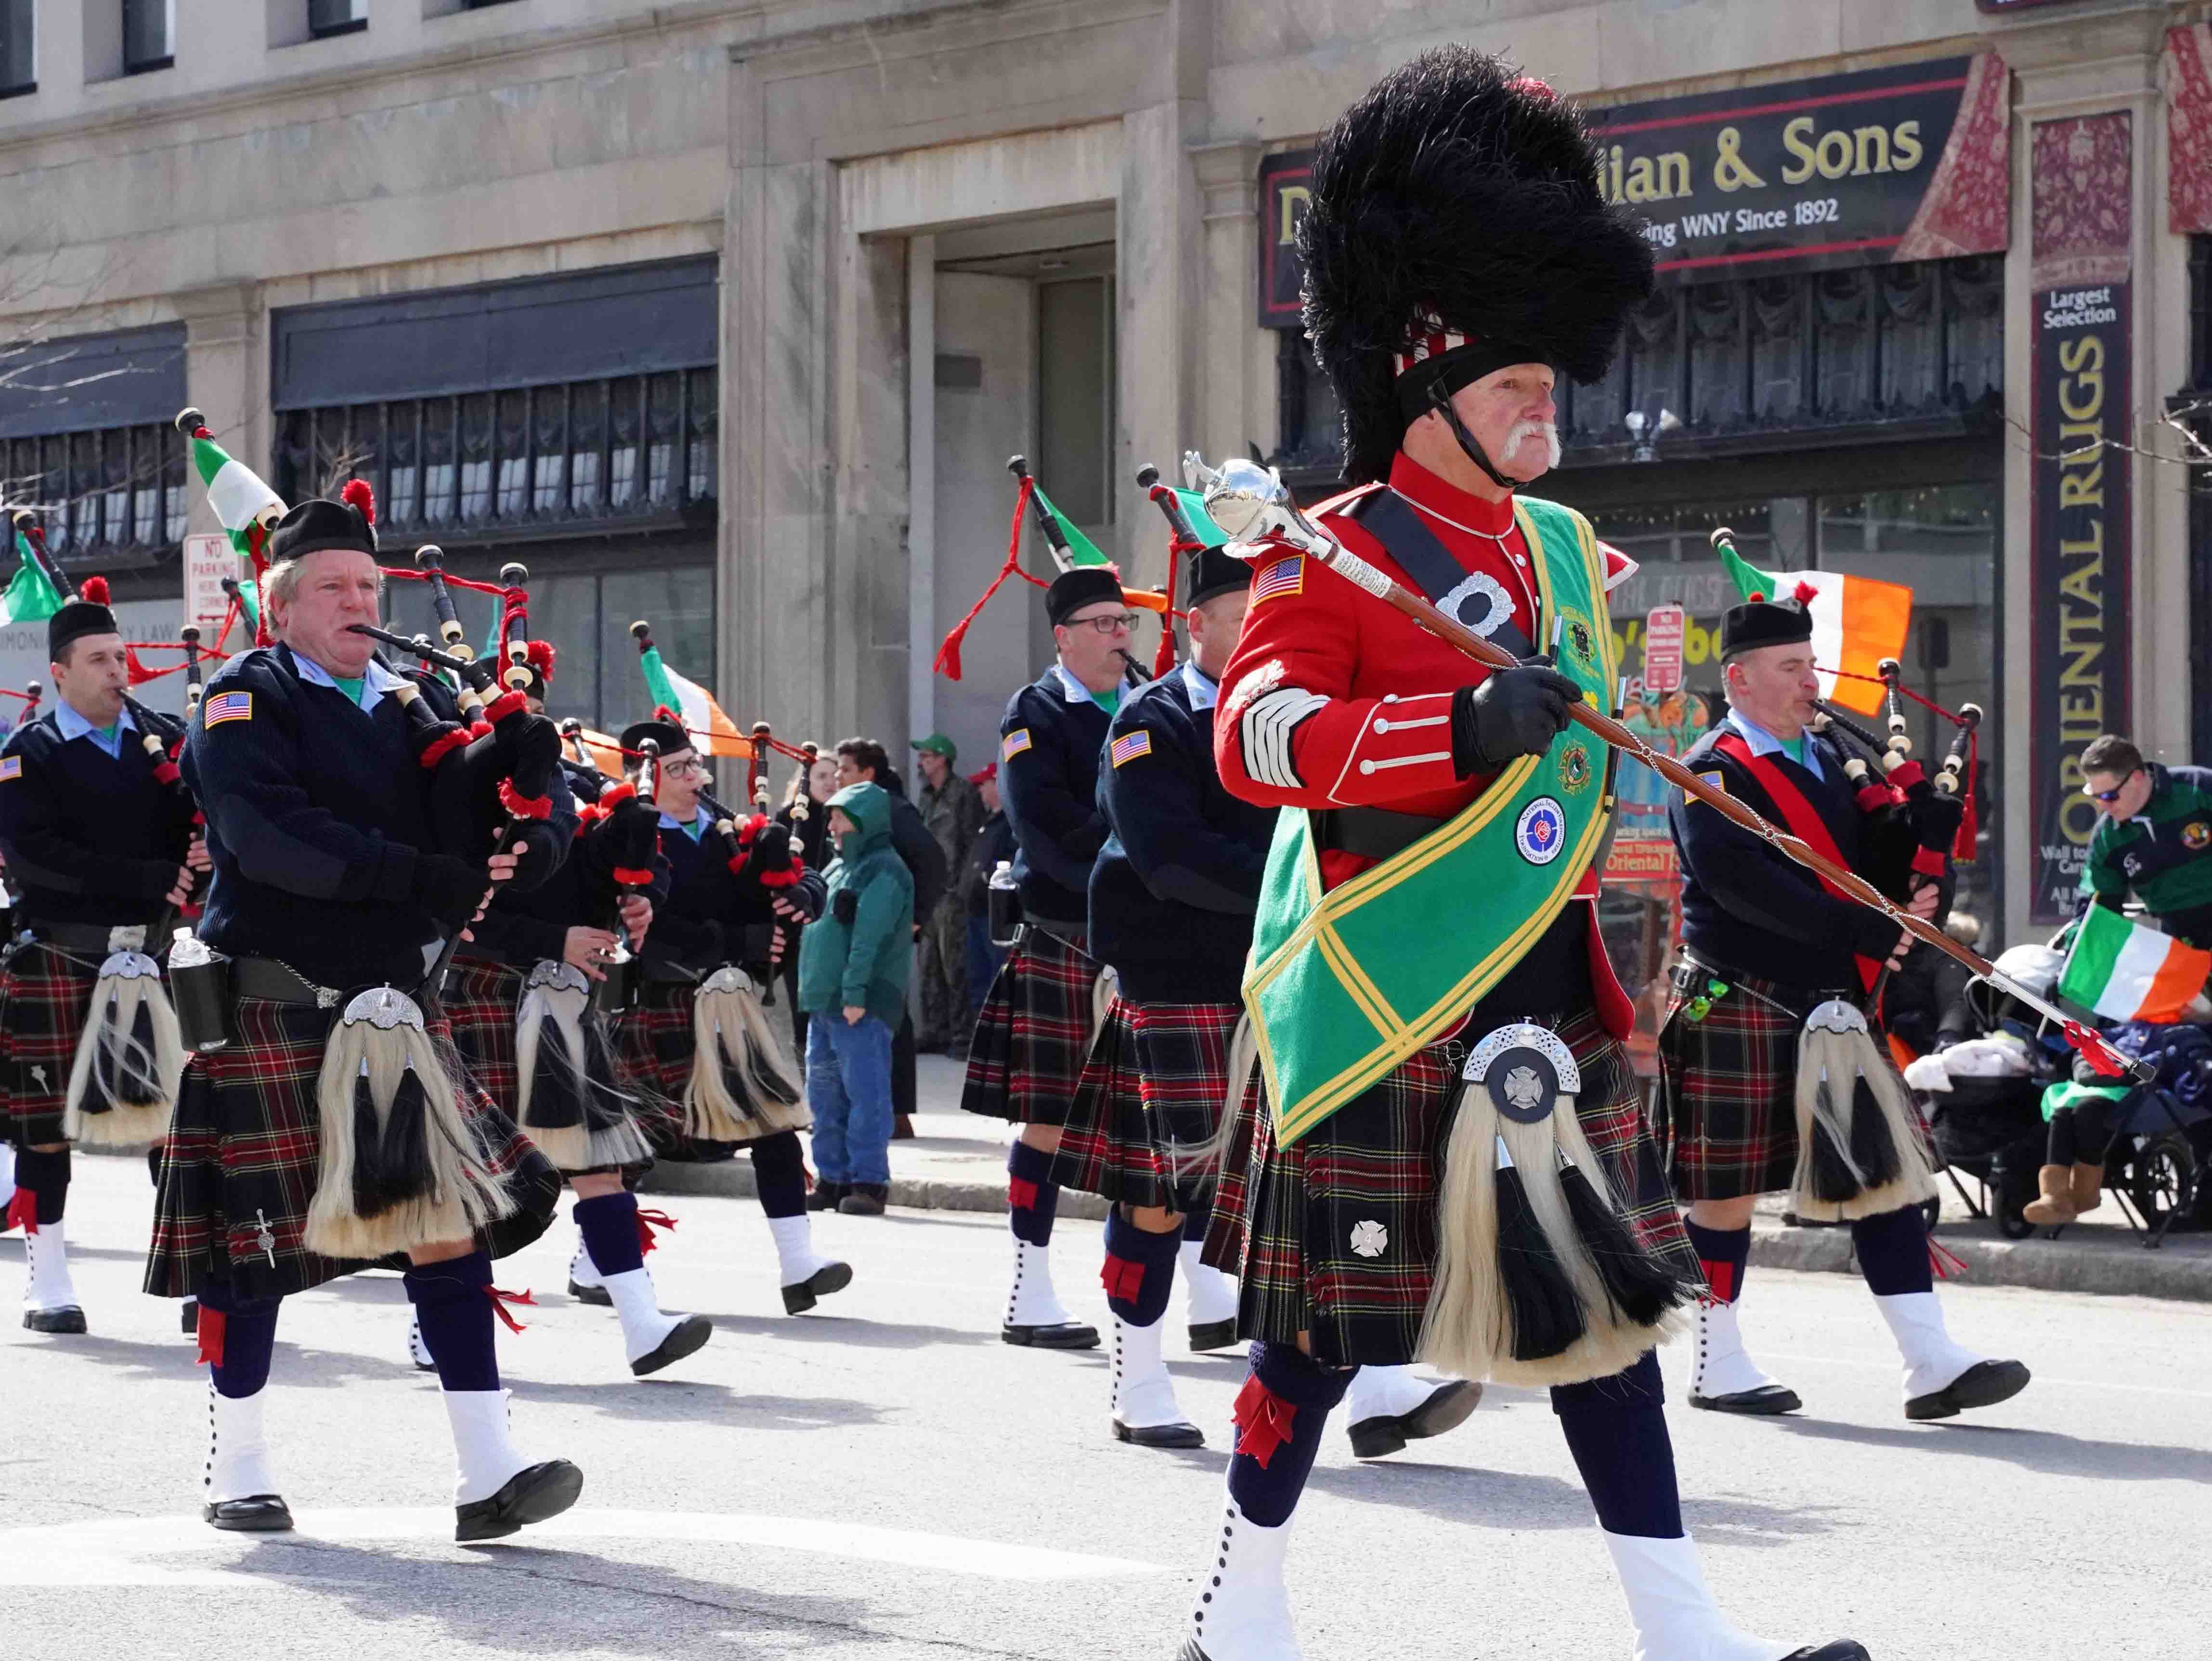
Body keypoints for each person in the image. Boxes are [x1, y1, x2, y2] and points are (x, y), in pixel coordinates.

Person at [1185, 51, 1869, 1661]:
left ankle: (1685, 1638)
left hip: (1556, 989)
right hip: (1387, 989)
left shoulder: (1564, 551)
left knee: (1609, 1320)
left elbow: (1598, 772)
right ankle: (1242, 1607)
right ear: (1426, 376)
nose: (1547, 411)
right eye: (1518, 389)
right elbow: (1254, 740)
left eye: (1552, 386)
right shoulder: (1329, 549)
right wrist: (1456, 734)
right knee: (1318, 1335)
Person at [146, 484, 579, 1541]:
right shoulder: (243, 699)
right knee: (256, 1250)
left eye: (370, 587)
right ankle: (238, 1462)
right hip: (274, 1003)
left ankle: (489, 1470)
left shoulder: (409, 703)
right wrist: (420, 876)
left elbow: (499, 813)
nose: (357, 602)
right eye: (334, 587)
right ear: (282, 603)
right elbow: (265, 836)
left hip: (391, 1008)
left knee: (442, 1227)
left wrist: (533, 799)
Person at [1659, 592, 2029, 1430]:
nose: (1809, 682)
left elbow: (1867, 857)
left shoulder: (1830, 757)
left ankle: (1928, 1359)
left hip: (1830, 1003)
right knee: (1722, 1195)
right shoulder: (1707, 773)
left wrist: (1919, 851)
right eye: (1790, 668)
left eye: (1811, 665)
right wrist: (1865, 925)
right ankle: (1716, 1362)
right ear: (1740, 678)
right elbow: (1743, 887)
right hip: (1739, 999)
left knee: (1882, 1178)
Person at [1052, 540, 1285, 1448]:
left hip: (1280, 979)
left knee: (1295, 1187)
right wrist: (1298, 884)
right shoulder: (1148, 723)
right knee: (1161, 1191)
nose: (1265, 637)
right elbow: (1169, 856)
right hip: (1177, 977)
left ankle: (1371, 1382)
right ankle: (1138, 1375)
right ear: (1196, 626)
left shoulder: (1292, 720)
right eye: (1244, 618)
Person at [436, 640, 710, 1378]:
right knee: (470, 1172)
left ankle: (641, 1320)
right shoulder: (453, 787)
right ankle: (431, 1324)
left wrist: (641, 893)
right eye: (505, 692)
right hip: (481, 990)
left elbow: (632, 856)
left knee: (599, 1163)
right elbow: (458, 910)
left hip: (560, 997)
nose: (522, 705)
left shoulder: (575, 778)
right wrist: (554, 934)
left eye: (532, 692)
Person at [0, 581, 202, 1335]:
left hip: (146, 956)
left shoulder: (164, 739)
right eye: (99, 659)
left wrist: (202, 856)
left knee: (167, 1121)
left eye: (122, 656)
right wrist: (152, 876)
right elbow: (34, 855)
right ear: (61, 671)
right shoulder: (29, 754)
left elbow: (194, 825)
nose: (119, 670)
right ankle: (48, 1277)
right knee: (45, 1123)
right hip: (62, 952)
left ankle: (187, 1273)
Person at [616, 718, 851, 1315]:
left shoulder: (723, 829)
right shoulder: (631, 837)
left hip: (729, 1005)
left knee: (774, 1128)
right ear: (645, 776)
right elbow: (649, 934)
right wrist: (740, 939)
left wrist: (804, 895)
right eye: (680, 769)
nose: (697, 777)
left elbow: (803, 868)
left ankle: (799, 1266)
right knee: (629, 1148)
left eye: (696, 764)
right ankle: (597, 1262)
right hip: (662, 1000)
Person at [960, 563, 1135, 1350]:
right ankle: (1029, 1289)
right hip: (1070, 933)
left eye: (1122, 622)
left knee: (1174, 1116)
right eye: (1098, 624)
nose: (1116, 636)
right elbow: (1044, 830)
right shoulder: (1034, 713)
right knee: (1049, 1121)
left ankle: (1194, 1288)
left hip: (1153, 941)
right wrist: (1141, 856)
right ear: (1062, 636)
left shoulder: (1152, 704)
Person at [797, 781, 914, 1216]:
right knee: (825, 1096)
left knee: (865, 1094)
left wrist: (855, 993)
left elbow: (870, 938)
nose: (831, 824)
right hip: (825, 1002)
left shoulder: (884, 870)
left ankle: (869, 1181)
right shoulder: (835, 869)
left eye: (840, 816)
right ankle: (833, 1178)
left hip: (858, 1005)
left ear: (865, 820)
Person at [834, 738, 946, 1139]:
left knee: (890, 1012)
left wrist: (914, 919)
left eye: (846, 770)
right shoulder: (849, 812)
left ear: (868, 773)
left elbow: (933, 862)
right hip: (853, 932)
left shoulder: (891, 810)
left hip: (884, 933)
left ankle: (898, 1113)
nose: (837, 777)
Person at [2077, 734, 2212, 948]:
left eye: (2110, 796)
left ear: (2137, 778)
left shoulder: (2199, 789)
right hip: (2180, 943)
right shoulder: (2109, 836)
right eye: (2095, 796)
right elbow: (2096, 909)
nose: (2103, 806)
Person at [910, 733, 984, 1055]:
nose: (922, 762)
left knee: (955, 965)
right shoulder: (927, 796)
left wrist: (960, 885)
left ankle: (962, 1035)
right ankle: (935, 1030)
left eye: (927, 756)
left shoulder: (963, 793)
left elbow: (971, 841)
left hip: (952, 893)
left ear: (943, 759)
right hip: (929, 892)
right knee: (929, 965)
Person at [777, 748, 838, 1056]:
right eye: (821, 776)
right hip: (798, 932)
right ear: (806, 780)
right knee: (802, 1012)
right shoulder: (788, 819)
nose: (830, 783)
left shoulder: (847, 817)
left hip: (836, 928)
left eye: (834, 775)